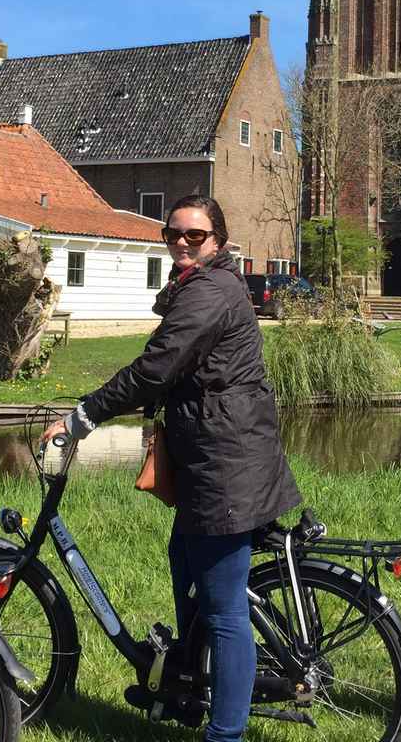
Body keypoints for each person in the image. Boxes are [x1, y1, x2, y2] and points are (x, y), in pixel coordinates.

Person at [43, 194, 301, 742]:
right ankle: (186, 677)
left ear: (218, 241)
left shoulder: (209, 291)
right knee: (184, 561)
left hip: (226, 466)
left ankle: (224, 734)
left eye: (195, 235)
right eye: (172, 233)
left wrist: (83, 416)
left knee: (224, 609)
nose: (181, 242)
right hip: (213, 459)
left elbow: (155, 370)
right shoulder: (200, 285)